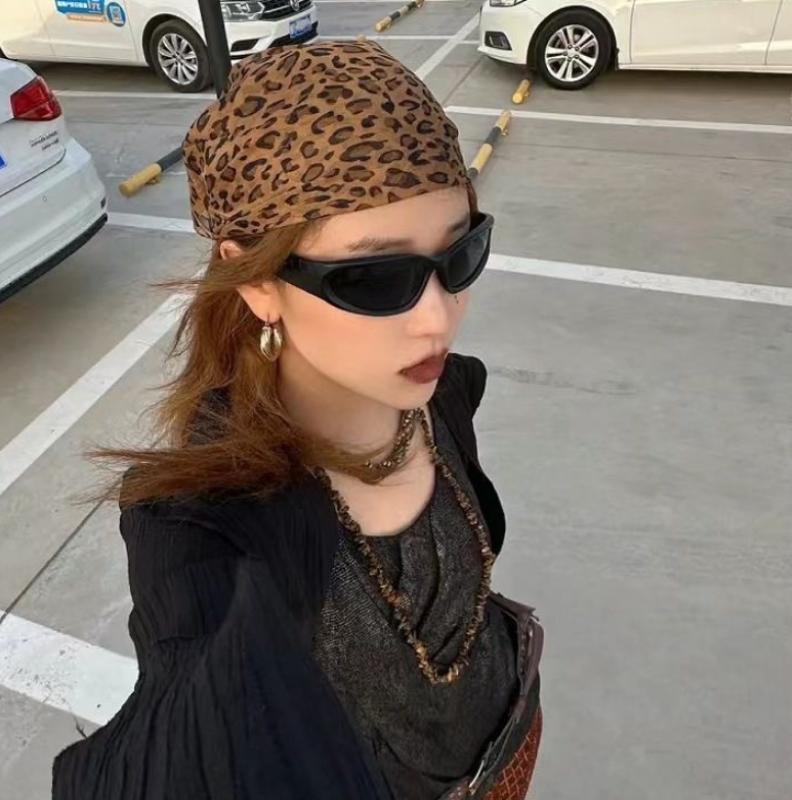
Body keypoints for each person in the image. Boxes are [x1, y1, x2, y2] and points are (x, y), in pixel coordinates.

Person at [51, 40, 544, 800]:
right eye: (374, 277)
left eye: (461, 254)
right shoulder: (206, 529)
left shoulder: (444, 395)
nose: (438, 317)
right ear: (258, 283)